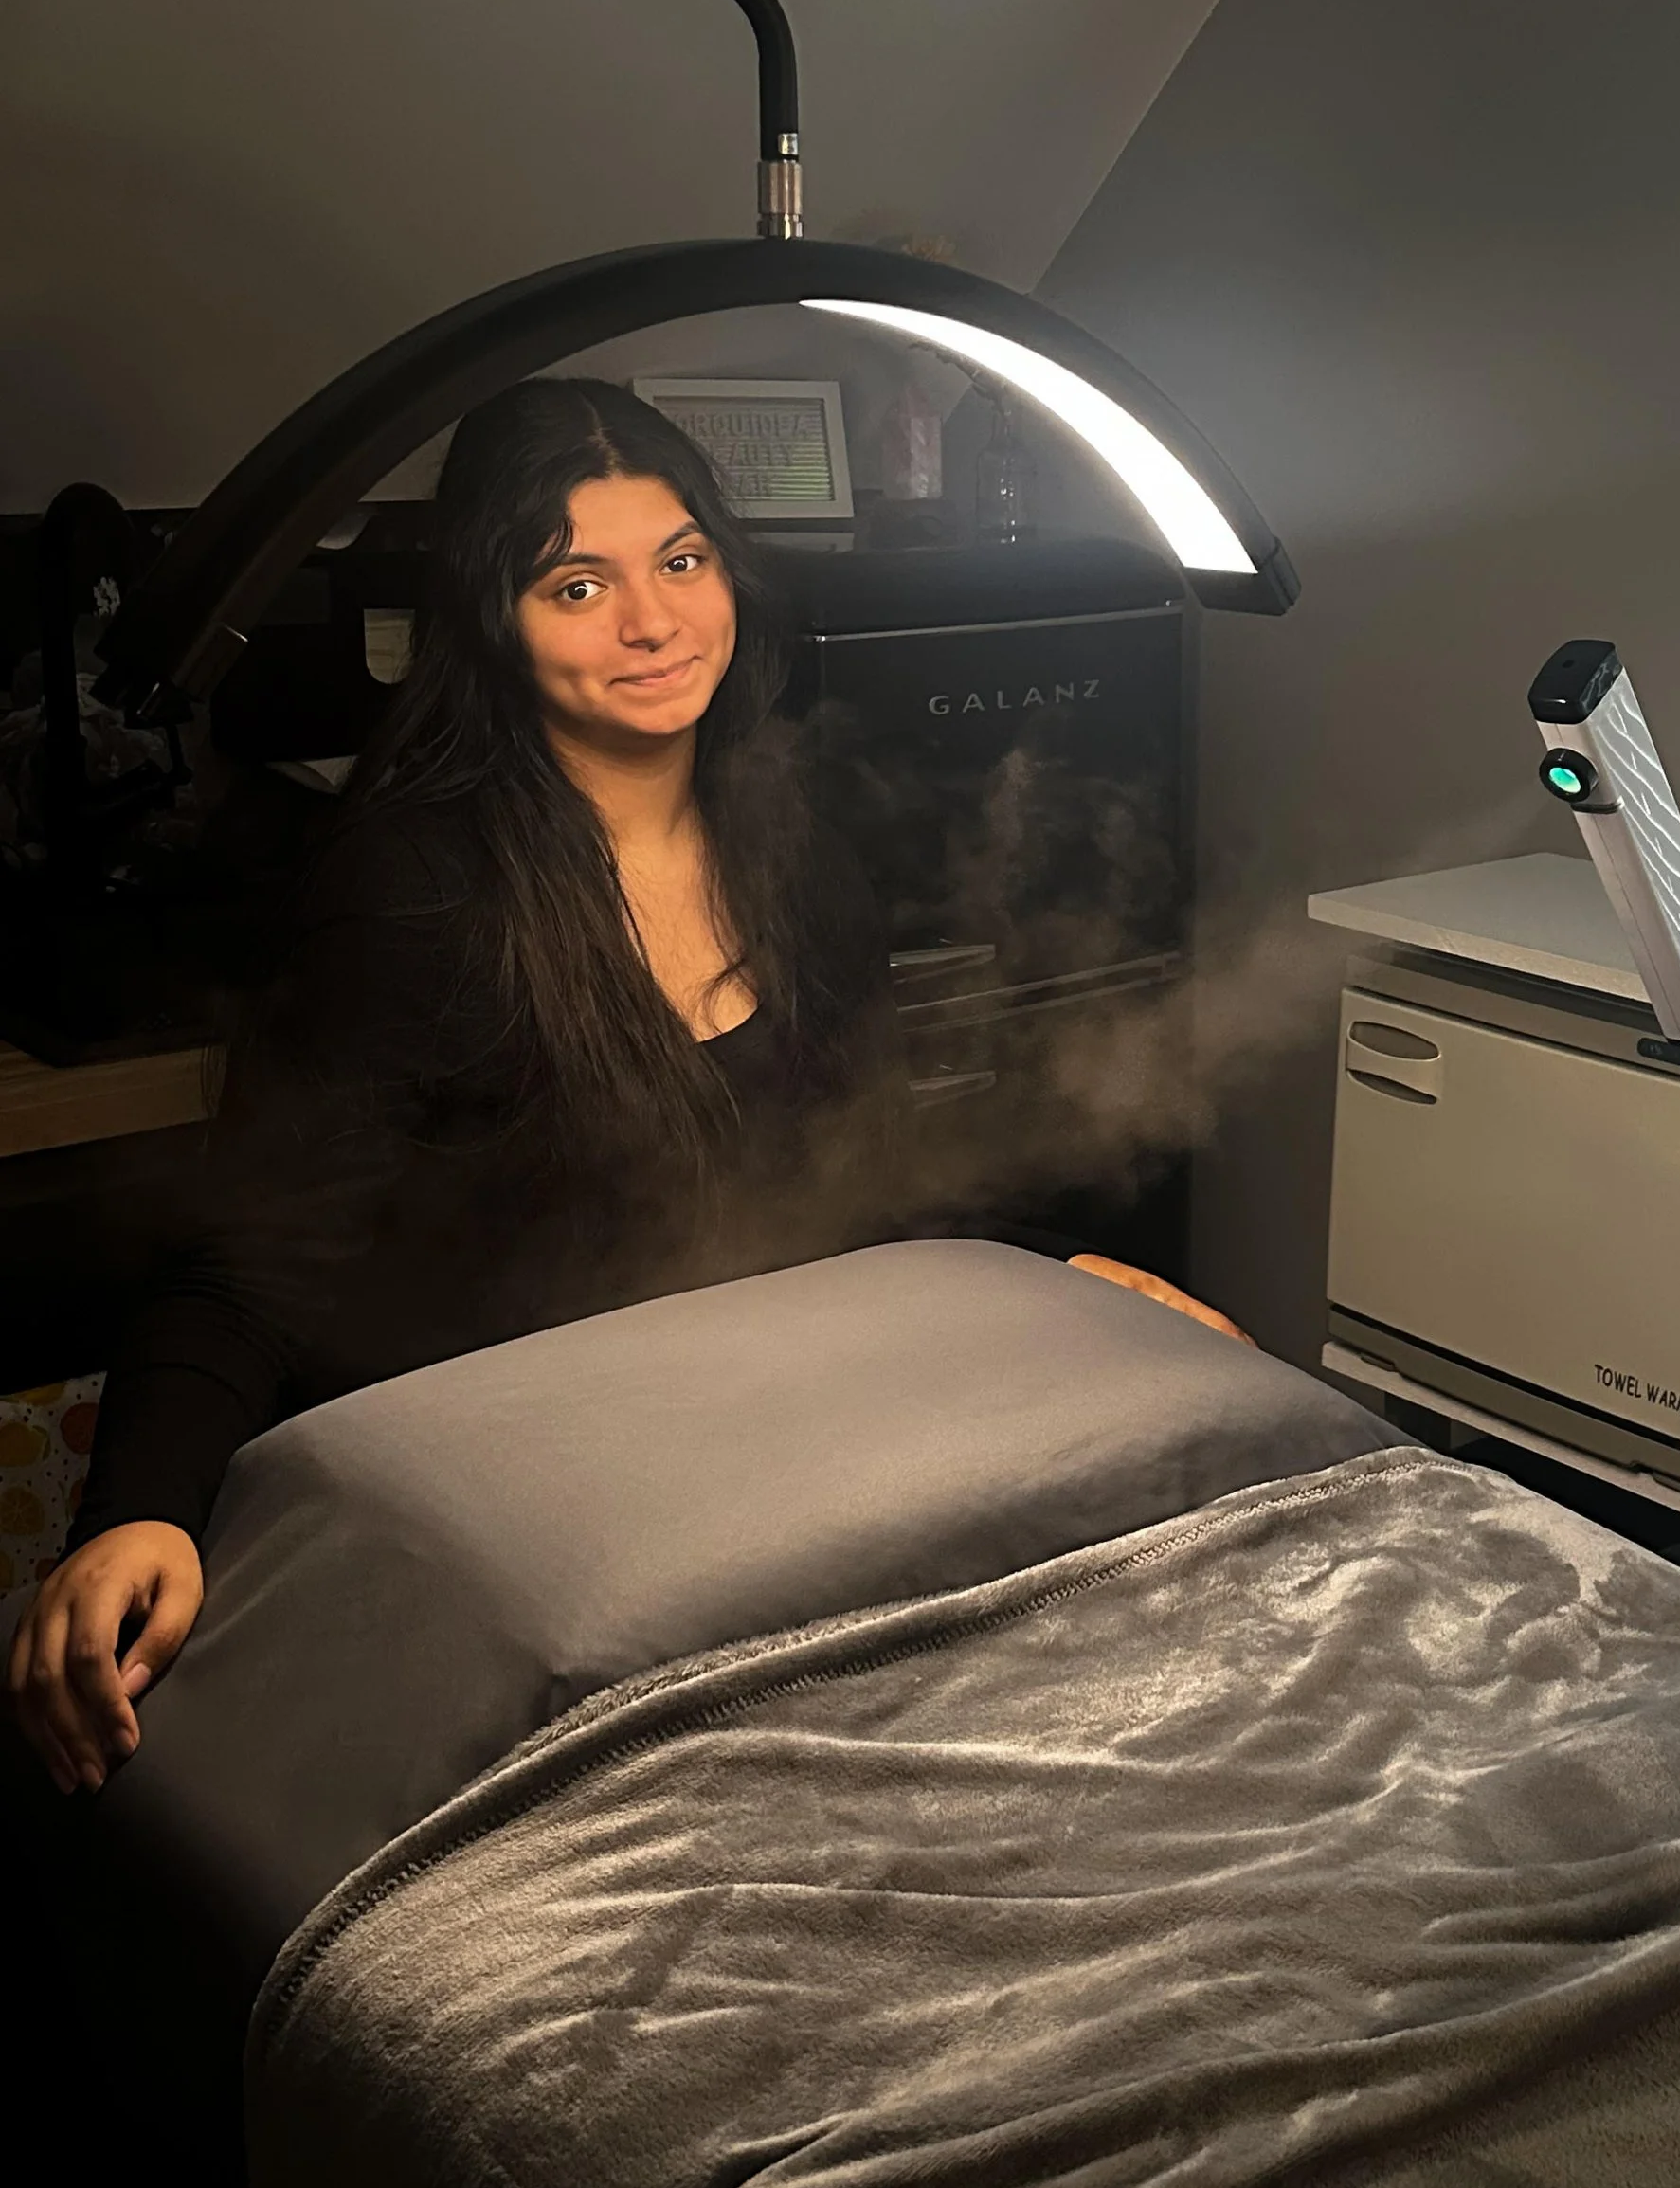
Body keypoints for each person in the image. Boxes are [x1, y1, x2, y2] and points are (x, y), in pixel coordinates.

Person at [8, 377, 1239, 1795]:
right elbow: (244, 1270)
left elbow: (874, 1190)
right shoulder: (413, 892)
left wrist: (1059, 1283)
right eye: (576, 584)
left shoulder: (797, 852)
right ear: (493, 620)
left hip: (761, 1473)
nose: (652, 623)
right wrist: (137, 1514)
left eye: (681, 561)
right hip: (528, 1528)